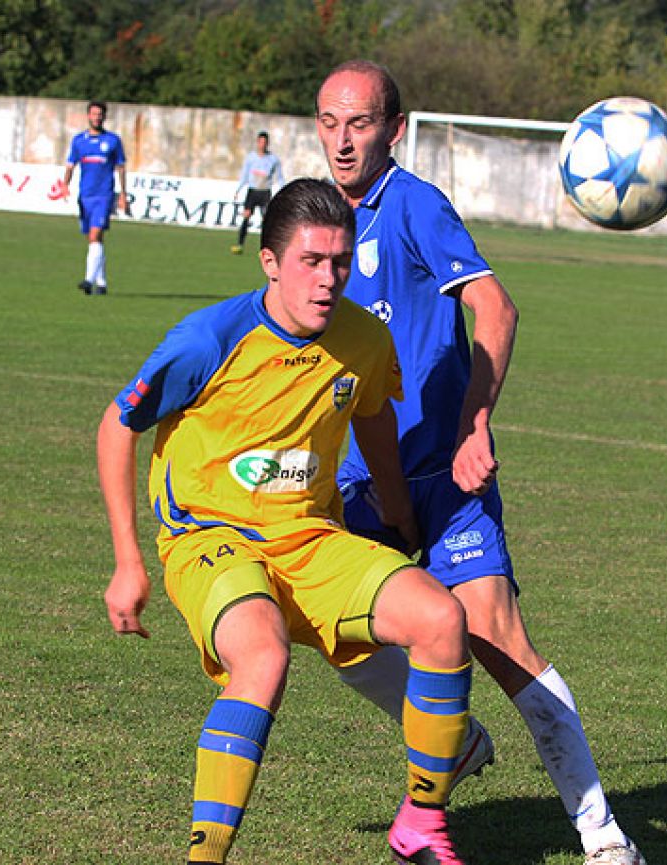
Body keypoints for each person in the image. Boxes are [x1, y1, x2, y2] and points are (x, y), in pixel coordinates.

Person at [314, 60, 646, 865]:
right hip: (362, 479)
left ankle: (601, 833)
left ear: (395, 129)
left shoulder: (416, 206)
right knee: (334, 631)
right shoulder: (316, 222)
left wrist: (474, 421)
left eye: (359, 123)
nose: (342, 140)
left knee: (496, 640)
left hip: (446, 478)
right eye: (328, 122)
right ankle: (454, 741)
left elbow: (495, 305)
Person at [97, 177, 476, 865]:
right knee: (263, 654)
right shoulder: (208, 339)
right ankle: (204, 857)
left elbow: (374, 416)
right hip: (212, 538)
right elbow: (116, 425)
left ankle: (421, 821)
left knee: (442, 620)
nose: (328, 279)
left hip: (310, 537)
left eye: (339, 260)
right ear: (269, 261)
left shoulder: (363, 337)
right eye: (310, 261)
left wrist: (394, 509)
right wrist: (128, 561)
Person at [57, 100, 129, 295]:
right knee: (94, 239)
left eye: (100, 114)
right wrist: (65, 185)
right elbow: (71, 165)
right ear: (88, 116)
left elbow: (121, 168)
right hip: (85, 195)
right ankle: (102, 282)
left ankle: (88, 280)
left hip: (103, 195)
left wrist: (123, 194)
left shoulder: (113, 141)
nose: (97, 117)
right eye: (94, 114)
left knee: (95, 235)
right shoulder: (79, 140)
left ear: (104, 117)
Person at [230, 130, 284, 255]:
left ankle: (267, 248)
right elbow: (244, 175)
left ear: (268, 143)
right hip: (252, 191)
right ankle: (240, 244)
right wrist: (238, 189)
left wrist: (283, 190)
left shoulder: (273, 159)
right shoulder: (251, 158)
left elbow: (279, 177)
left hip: (265, 192)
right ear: (257, 142)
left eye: (265, 142)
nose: (262, 144)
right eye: (260, 142)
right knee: (246, 216)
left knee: (266, 220)